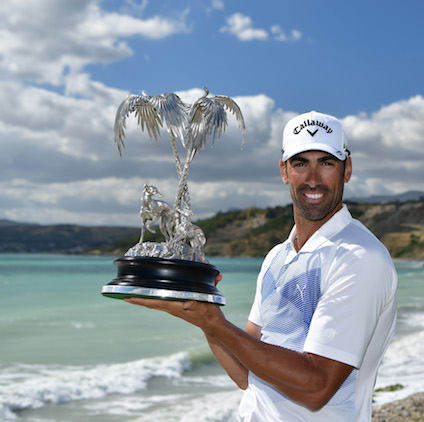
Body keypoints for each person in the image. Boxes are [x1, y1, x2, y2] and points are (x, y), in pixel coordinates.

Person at [126, 110, 398, 421]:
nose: (313, 179)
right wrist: (202, 309)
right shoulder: (277, 258)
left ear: (346, 169)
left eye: (326, 163)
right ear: (284, 171)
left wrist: (216, 324)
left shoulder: (360, 257)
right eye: (300, 163)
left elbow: (317, 388)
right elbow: (246, 373)